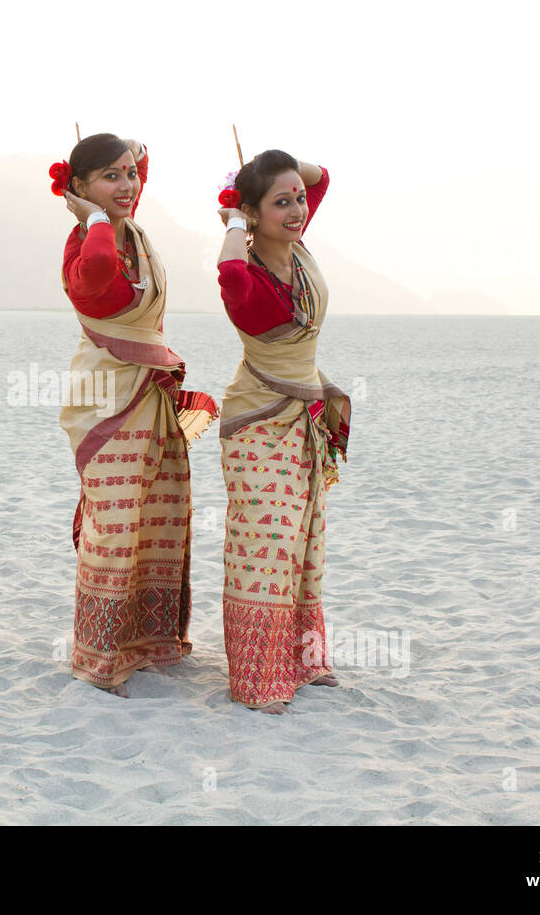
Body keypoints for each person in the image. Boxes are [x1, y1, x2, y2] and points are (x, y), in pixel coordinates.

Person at [50, 133, 218, 697]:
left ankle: (146, 643)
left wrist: (128, 157)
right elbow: (99, 269)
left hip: (149, 393)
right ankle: (98, 657)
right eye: (111, 177)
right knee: (114, 527)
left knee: (156, 517)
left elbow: (140, 161)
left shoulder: (130, 233)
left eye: (131, 174)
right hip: (106, 398)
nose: (129, 185)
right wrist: (93, 216)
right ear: (79, 189)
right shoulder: (86, 247)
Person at [213, 149, 351, 715]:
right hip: (259, 420)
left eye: (298, 200)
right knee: (265, 547)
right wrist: (233, 217)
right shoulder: (248, 279)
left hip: (304, 417)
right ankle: (258, 677)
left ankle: (301, 658)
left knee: (302, 541)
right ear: (253, 215)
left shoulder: (296, 247)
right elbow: (226, 272)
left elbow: (323, 176)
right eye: (282, 203)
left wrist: (278, 170)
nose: (298, 210)